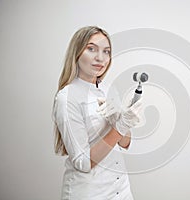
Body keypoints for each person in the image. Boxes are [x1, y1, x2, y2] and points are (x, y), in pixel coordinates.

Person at [52, 26, 142, 200]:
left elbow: (124, 143)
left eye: (106, 51)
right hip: (90, 193)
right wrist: (120, 127)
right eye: (91, 49)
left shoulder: (108, 89)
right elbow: (83, 163)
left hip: (121, 190)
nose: (100, 58)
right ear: (77, 52)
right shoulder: (67, 98)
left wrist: (122, 120)